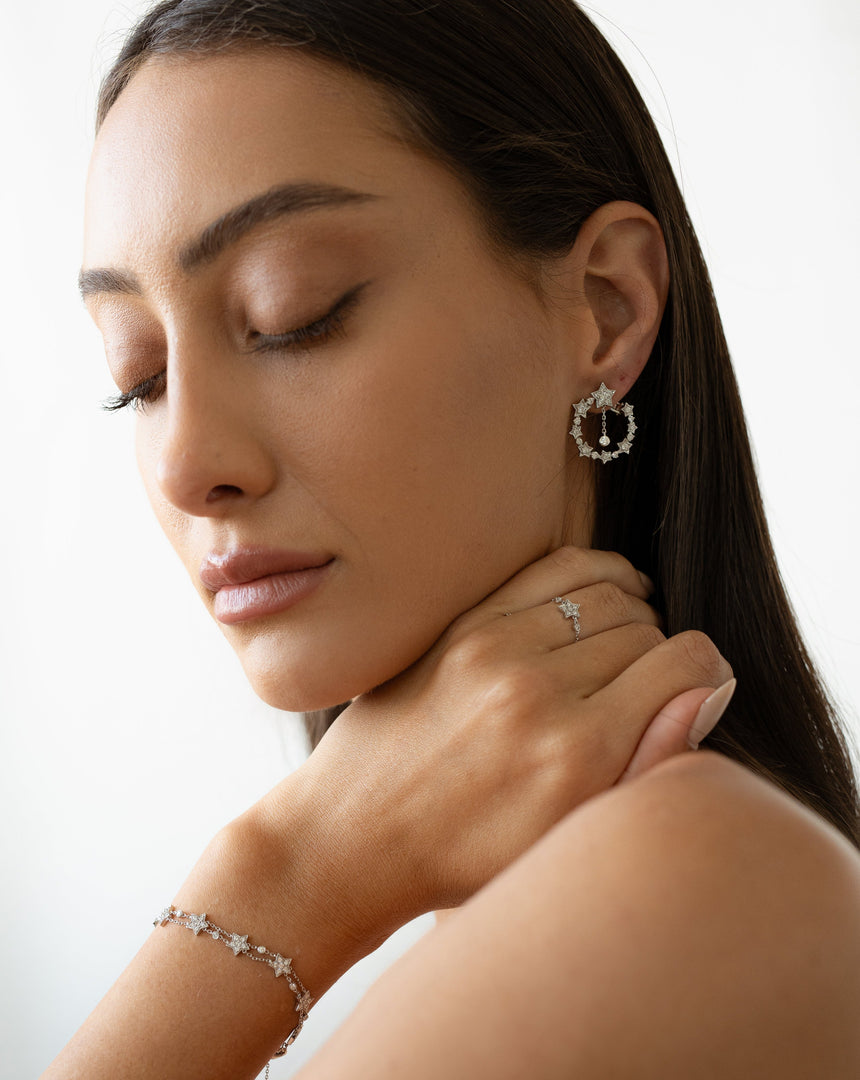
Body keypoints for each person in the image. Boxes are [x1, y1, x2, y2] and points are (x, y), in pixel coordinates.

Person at [42, 1, 860, 1077]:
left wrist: (288, 877)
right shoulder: (572, 898)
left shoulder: (680, 878)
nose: (186, 465)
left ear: (605, 311)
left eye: (297, 313)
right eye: (137, 376)